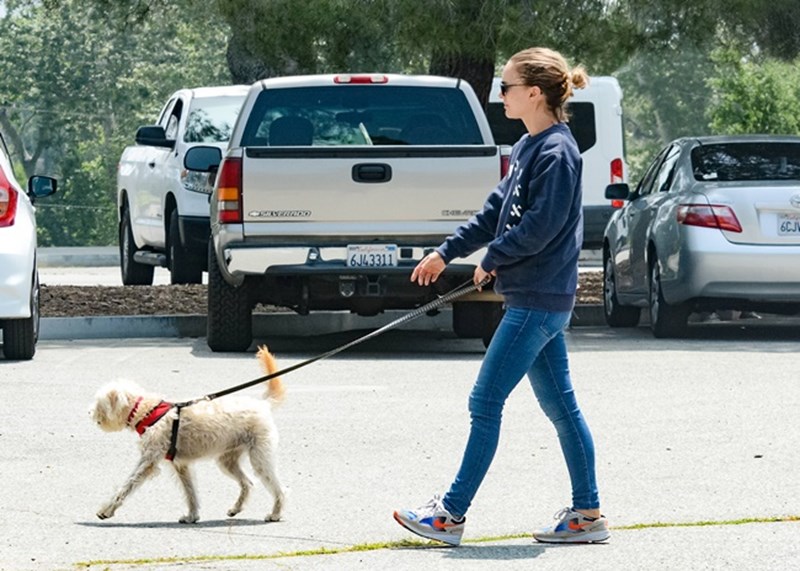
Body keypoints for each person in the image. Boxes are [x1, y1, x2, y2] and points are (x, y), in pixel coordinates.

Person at [393, 47, 609, 547]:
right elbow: (496, 213)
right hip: (538, 298)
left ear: (534, 92)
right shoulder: (531, 146)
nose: (501, 95)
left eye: (507, 87)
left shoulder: (557, 152)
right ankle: (588, 515)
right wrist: (445, 253)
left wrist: (493, 259)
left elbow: (542, 225)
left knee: (485, 400)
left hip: (538, 300)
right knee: (562, 409)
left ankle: (449, 515)